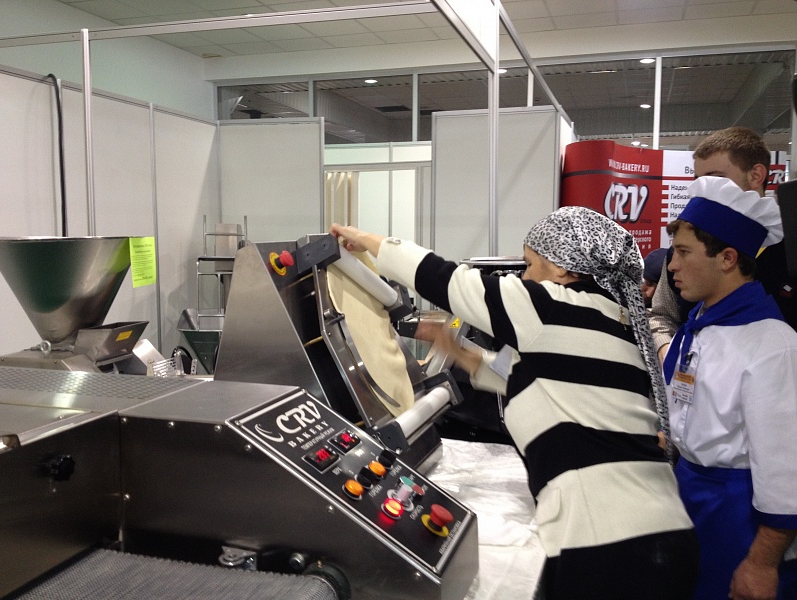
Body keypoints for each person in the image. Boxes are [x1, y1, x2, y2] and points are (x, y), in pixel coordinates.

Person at [330, 207, 699, 600]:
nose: (523, 277)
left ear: (561, 268)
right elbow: (529, 377)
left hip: (611, 548)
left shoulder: (552, 305)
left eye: (529, 264)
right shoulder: (611, 320)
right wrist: (453, 348)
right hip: (659, 537)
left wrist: (366, 240)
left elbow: (447, 279)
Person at [663, 176, 797, 600]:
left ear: (727, 258)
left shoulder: (772, 344)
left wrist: (761, 563)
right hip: (690, 495)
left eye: (684, 252)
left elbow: (785, 472)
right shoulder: (702, 324)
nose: (671, 266)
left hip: (738, 518)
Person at [649, 126, 797, 363]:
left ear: (756, 175)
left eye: (716, 179)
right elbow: (662, 315)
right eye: (698, 181)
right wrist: (669, 353)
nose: (705, 190)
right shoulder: (679, 255)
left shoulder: (788, 253)